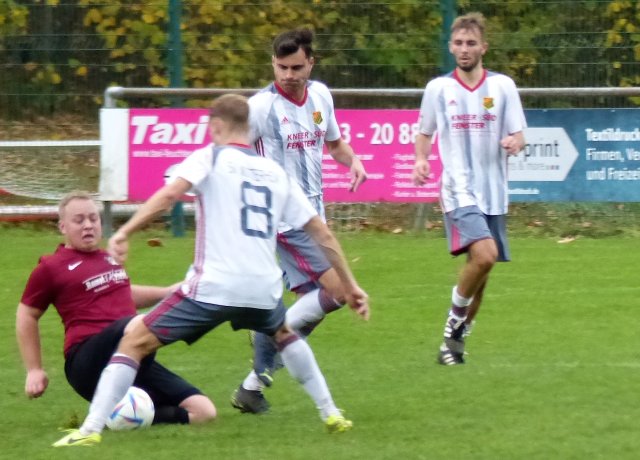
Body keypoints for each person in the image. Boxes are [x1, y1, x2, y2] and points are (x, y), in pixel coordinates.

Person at [52, 94, 369, 447]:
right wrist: (351, 284)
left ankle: (90, 430)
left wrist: (125, 231)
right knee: (284, 334)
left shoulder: (210, 157)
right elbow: (321, 232)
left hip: (213, 286)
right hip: (263, 290)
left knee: (134, 342)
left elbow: (169, 195)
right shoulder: (275, 172)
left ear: (216, 126)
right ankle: (331, 412)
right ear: (248, 128)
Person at [231, 27, 368, 414]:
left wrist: (354, 161)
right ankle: (268, 333)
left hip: (313, 216)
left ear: (311, 63)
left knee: (315, 305)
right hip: (283, 220)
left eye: (296, 67)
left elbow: (335, 144)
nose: (288, 75)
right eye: (281, 67)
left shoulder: (321, 96)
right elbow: (229, 152)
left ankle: (252, 386)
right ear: (273, 64)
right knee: (340, 290)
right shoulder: (261, 107)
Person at [16, 191, 217, 428]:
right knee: (141, 324)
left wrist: (167, 291)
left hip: (131, 353)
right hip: (87, 360)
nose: (88, 225)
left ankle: (119, 418)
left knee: (203, 411)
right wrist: (34, 369)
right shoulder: (51, 267)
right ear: (63, 227)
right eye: (79, 220)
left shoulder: (108, 258)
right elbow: (27, 313)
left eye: (93, 218)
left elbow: (123, 294)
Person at [412, 12, 526, 365]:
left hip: (494, 192)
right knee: (486, 255)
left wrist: (514, 142)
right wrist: (421, 160)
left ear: (483, 48)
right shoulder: (438, 89)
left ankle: (453, 345)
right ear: (450, 47)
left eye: (471, 43)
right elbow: (425, 132)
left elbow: (520, 134)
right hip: (458, 189)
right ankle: (453, 322)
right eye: (459, 43)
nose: (464, 49)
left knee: (482, 273)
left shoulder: (503, 86)